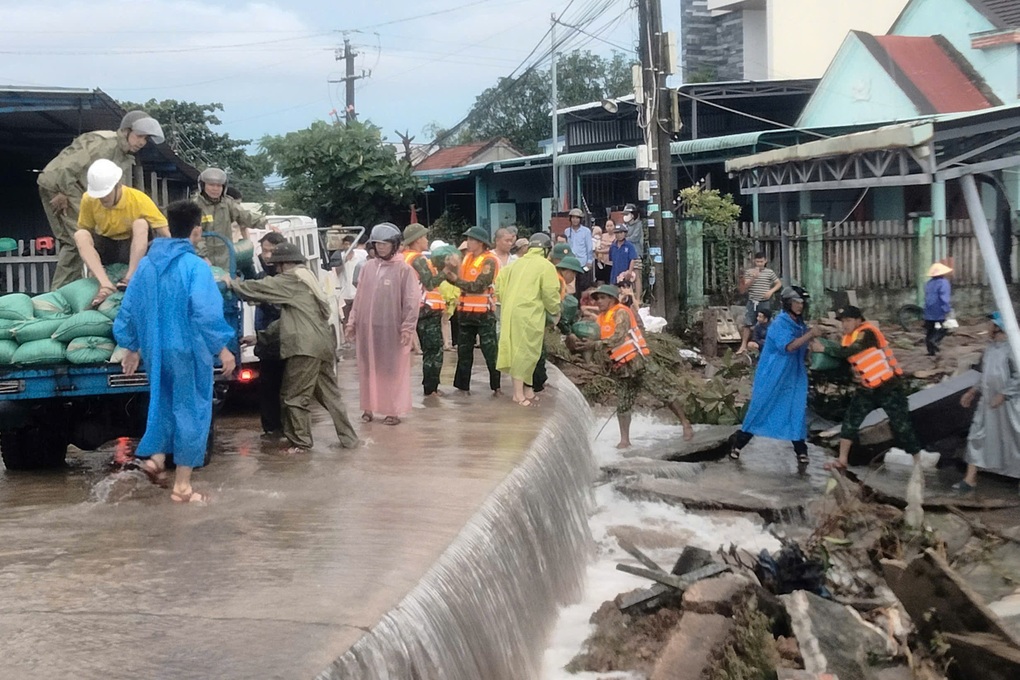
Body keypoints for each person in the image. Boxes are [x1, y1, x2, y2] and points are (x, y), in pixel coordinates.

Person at [113, 200, 235, 503]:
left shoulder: (147, 265)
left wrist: (131, 346)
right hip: (188, 349)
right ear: (197, 231)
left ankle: (156, 459)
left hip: (155, 350)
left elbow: (129, 307)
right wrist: (222, 348)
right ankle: (182, 487)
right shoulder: (195, 266)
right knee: (191, 410)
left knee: (162, 403)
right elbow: (205, 311)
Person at [229, 242, 359, 452]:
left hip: (303, 348)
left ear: (284, 264)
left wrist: (232, 284)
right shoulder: (308, 279)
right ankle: (350, 440)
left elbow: (260, 288)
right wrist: (261, 337)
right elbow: (292, 321)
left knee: (293, 397)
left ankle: (301, 444)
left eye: (277, 265)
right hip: (322, 344)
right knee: (330, 396)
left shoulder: (292, 278)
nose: (276, 270)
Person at [38, 110, 164, 289]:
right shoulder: (105, 144)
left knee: (72, 242)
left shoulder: (121, 152)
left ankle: (63, 288)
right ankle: (66, 289)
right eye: (139, 136)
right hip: (62, 186)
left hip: (71, 187)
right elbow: (70, 164)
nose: (142, 142)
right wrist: (61, 190)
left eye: (146, 139)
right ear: (126, 131)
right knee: (79, 238)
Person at [577, 285, 694, 447]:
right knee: (623, 404)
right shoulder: (601, 319)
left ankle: (685, 423)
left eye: (603, 298)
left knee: (664, 393)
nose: (598, 302)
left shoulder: (621, 313)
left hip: (639, 362)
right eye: (597, 298)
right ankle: (625, 440)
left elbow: (618, 338)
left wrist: (594, 345)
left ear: (612, 299)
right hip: (622, 367)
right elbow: (597, 339)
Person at [812, 305, 922, 471]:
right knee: (850, 421)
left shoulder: (867, 333)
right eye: (843, 321)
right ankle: (842, 460)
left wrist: (825, 348)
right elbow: (846, 360)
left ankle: (917, 462)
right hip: (867, 387)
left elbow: (851, 351)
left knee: (902, 426)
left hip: (889, 386)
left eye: (848, 320)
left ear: (858, 320)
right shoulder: (847, 338)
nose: (845, 325)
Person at [730, 288, 820, 468]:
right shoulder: (780, 323)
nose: (800, 306)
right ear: (788, 303)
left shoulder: (799, 324)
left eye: (802, 303)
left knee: (796, 410)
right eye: (796, 302)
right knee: (762, 407)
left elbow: (803, 346)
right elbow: (789, 347)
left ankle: (801, 451)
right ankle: (738, 444)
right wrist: (810, 335)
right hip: (774, 373)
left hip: (793, 375)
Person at [345, 224, 421, 424]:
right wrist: (352, 322)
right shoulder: (368, 267)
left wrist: (407, 328)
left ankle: (392, 411)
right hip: (367, 329)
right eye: (377, 244)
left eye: (385, 244)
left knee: (392, 371)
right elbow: (359, 297)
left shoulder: (404, 270)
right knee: (368, 369)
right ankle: (368, 408)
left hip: (391, 329)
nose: (380, 247)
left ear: (394, 245)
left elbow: (412, 301)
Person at [76, 159, 171, 307]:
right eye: (99, 195)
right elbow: (85, 229)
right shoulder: (89, 200)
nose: (102, 199)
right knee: (80, 234)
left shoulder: (138, 199)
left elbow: (165, 231)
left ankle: (129, 278)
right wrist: (92, 266)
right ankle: (106, 285)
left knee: (140, 223)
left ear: (118, 185)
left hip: (132, 248)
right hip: (107, 246)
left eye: (106, 194)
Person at [954, 312, 1020, 492]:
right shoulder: (991, 348)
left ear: (999, 326)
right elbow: (986, 374)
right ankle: (970, 479)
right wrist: (973, 391)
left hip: (1010, 405)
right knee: (977, 435)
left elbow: (1018, 376)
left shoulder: (1014, 348)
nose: (987, 326)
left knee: (1015, 440)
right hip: (988, 403)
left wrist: (1004, 394)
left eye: (990, 323)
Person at [494, 232, 561, 406]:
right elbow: (550, 293)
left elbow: (498, 285)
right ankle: (518, 394)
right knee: (524, 352)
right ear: (546, 250)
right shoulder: (546, 266)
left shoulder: (515, 263)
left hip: (510, 311)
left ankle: (527, 390)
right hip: (529, 313)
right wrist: (555, 310)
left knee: (525, 351)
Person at [444, 226, 501, 396]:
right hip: (465, 313)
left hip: (484, 313)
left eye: (471, 240)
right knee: (464, 352)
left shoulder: (489, 261)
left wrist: (456, 280)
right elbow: (456, 278)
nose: (468, 242)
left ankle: (496, 387)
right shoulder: (466, 258)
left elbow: (478, 286)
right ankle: (463, 387)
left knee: (490, 352)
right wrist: (449, 271)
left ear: (481, 243)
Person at [402, 223, 446, 397]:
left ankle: (427, 387)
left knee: (422, 350)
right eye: (424, 237)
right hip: (426, 309)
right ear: (417, 240)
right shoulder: (418, 259)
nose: (427, 240)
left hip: (412, 308)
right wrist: (446, 271)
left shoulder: (403, 257)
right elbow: (430, 283)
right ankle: (431, 389)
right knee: (433, 350)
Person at [192, 167, 268, 271]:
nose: (215, 189)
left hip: (225, 258)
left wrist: (266, 223)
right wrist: (202, 256)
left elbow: (245, 216)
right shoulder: (194, 206)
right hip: (201, 257)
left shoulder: (228, 203)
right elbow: (193, 233)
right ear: (202, 185)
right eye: (211, 185)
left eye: (219, 185)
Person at [251, 231, 287, 436]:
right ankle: (271, 430)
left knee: (286, 389)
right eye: (264, 251)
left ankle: (286, 430)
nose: (266, 256)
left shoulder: (287, 278)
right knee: (267, 388)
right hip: (265, 344)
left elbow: (280, 311)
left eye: (270, 251)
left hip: (285, 342)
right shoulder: (261, 276)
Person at [736, 252, 782, 355]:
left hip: (764, 302)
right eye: (757, 262)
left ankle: (769, 345)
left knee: (766, 323)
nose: (759, 264)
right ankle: (743, 346)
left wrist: (771, 291)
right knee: (748, 323)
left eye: (761, 262)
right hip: (752, 301)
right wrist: (753, 278)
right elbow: (743, 288)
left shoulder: (769, 272)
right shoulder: (749, 272)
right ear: (754, 261)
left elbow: (778, 283)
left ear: (765, 261)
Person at [923, 262, 953, 357]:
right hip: (939, 308)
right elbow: (944, 297)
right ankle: (935, 340)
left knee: (930, 330)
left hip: (928, 309)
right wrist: (947, 309)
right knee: (945, 327)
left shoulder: (929, 283)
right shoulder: (944, 283)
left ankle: (931, 351)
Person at [564, 208, 594, 296]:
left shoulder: (586, 231)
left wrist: (589, 261)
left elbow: (589, 247)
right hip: (571, 263)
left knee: (583, 286)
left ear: (580, 219)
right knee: (571, 286)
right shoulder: (567, 231)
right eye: (573, 217)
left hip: (582, 263)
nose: (575, 220)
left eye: (577, 218)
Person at [621, 203, 645, 302]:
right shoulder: (625, 225)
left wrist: (624, 238)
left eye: (627, 214)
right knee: (627, 276)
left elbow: (634, 237)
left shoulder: (638, 224)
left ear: (633, 214)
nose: (625, 216)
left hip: (636, 254)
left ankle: (638, 299)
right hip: (626, 255)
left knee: (637, 276)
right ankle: (630, 299)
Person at [608, 223, 638, 287]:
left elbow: (632, 259)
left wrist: (630, 271)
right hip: (615, 274)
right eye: (617, 233)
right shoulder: (613, 246)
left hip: (625, 274)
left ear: (625, 233)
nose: (619, 235)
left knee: (625, 290)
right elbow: (611, 260)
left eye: (621, 232)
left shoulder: (629, 245)